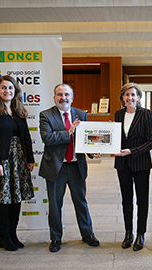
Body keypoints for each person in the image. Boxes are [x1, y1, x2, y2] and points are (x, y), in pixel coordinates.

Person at [39, 83, 101, 253]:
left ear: (72, 98)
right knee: (55, 204)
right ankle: (56, 238)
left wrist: (92, 152)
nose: (63, 98)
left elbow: (86, 140)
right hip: (55, 168)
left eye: (66, 94)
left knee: (81, 202)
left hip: (76, 166)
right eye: (60, 94)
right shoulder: (46, 115)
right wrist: (70, 131)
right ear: (54, 98)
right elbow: (47, 138)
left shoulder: (81, 114)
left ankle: (87, 234)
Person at [0, 75, 35, 251]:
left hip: (19, 161)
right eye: (3, 88)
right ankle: (4, 235)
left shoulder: (19, 111)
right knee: (3, 200)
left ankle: (12, 234)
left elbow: (26, 136)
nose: (7, 91)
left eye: (10, 88)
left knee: (16, 198)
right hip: (2, 161)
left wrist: (30, 159)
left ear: (15, 91)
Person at [114, 83, 152, 251]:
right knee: (126, 200)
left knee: (142, 200)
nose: (129, 98)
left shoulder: (146, 114)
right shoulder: (118, 114)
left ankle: (140, 234)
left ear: (138, 97)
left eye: (133, 94)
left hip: (141, 163)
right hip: (122, 164)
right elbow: (114, 137)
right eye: (126, 95)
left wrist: (132, 151)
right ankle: (128, 233)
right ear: (122, 98)